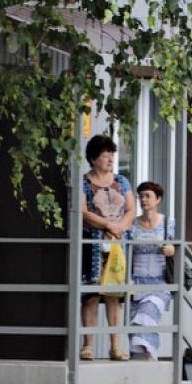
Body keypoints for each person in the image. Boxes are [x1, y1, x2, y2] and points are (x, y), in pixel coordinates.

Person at [79, 134, 135, 361]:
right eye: (105, 155)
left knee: (114, 295)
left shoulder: (122, 182)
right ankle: (88, 345)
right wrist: (107, 224)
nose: (110, 158)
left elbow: (131, 209)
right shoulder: (84, 182)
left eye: (112, 154)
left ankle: (115, 346)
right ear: (93, 159)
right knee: (91, 294)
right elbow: (83, 211)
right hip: (92, 243)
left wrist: (120, 226)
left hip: (117, 245)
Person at [125, 181, 177, 360]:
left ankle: (150, 358)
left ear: (158, 199)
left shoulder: (168, 223)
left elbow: (180, 248)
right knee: (134, 326)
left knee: (147, 313)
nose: (143, 200)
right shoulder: (133, 224)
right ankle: (142, 366)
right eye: (141, 196)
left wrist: (172, 250)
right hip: (136, 281)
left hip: (159, 282)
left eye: (148, 196)